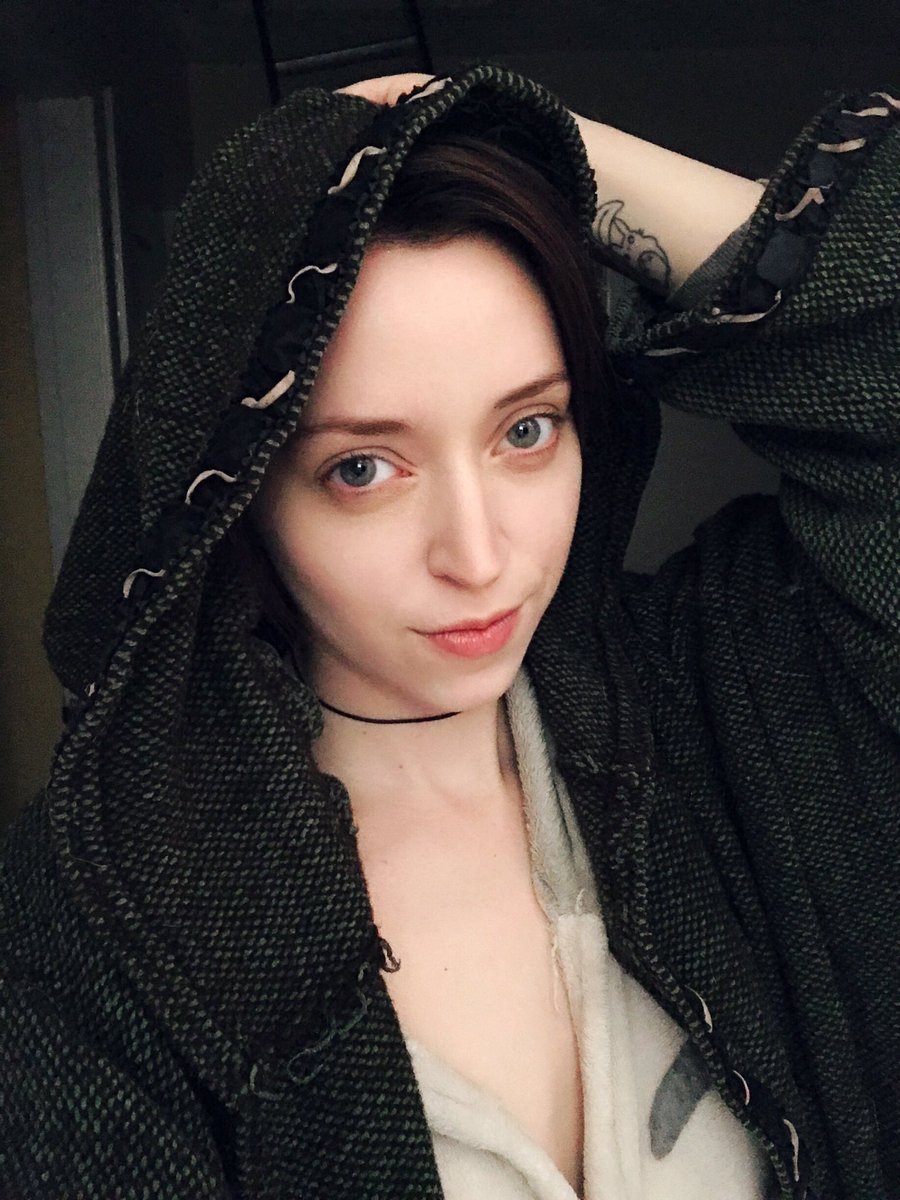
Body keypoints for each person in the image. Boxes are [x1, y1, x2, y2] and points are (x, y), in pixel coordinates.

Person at [0, 61, 896, 1200]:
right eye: (363, 469)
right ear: (241, 491)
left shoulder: (728, 689)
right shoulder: (88, 928)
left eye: (527, 430)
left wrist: (522, 133)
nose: (478, 558)